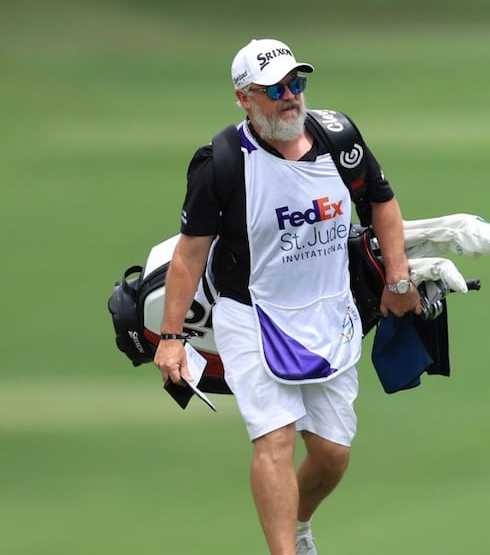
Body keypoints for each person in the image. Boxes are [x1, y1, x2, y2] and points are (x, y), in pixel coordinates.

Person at [154, 38, 421, 555]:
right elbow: (189, 255)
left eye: (296, 83)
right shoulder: (223, 163)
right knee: (274, 442)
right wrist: (170, 337)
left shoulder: (339, 137)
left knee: (332, 455)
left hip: (329, 313)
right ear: (244, 98)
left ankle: (297, 525)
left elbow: (383, 205)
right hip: (251, 316)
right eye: (274, 88)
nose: (290, 96)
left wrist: (399, 280)